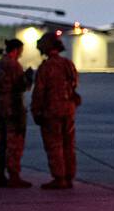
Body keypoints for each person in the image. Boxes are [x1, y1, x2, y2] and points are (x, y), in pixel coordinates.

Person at [31, 31, 80, 190]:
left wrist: (36, 111)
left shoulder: (46, 67)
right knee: (68, 144)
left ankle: (59, 178)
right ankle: (69, 176)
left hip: (52, 111)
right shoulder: (68, 64)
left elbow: (39, 92)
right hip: (68, 110)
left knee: (54, 144)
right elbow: (74, 84)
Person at [0, 38, 31, 188]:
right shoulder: (14, 65)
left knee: (0, 140)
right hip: (13, 104)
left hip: (0, 102)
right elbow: (21, 86)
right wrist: (28, 79)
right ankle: (14, 175)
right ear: (16, 50)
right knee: (14, 141)